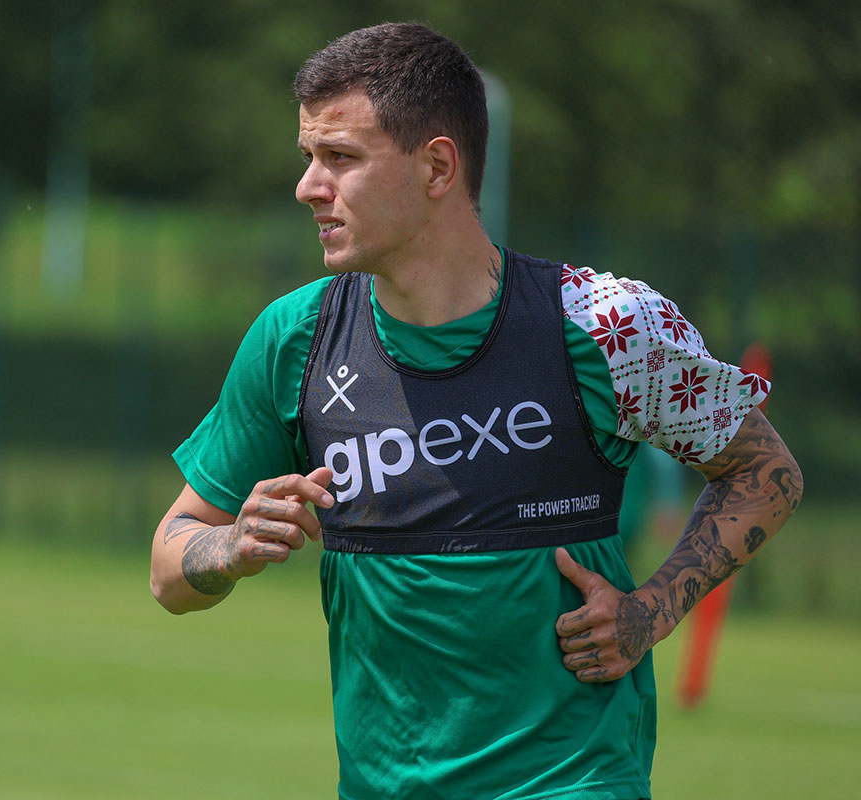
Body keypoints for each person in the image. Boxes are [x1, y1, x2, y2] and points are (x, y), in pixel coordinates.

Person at [150, 22, 802, 800]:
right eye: (307, 158)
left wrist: (651, 611)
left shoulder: (606, 325)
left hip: (573, 780)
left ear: (436, 167)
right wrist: (229, 546)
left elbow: (765, 473)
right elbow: (168, 568)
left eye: (341, 158)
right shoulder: (295, 339)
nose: (309, 187)